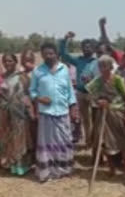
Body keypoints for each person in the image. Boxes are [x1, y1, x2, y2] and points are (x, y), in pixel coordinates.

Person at [29, 42, 77, 182]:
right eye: (45, 54)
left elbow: (69, 91)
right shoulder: (38, 71)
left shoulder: (64, 69)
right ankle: (46, 171)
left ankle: (63, 169)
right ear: (42, 55)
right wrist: (39, 99)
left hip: (62, 112)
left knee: (64, 140)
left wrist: (73, 107)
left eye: (51, 53)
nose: (48, 56)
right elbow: (31, 91)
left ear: (56, 54)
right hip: (46, 113)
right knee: (46, 143)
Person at [86, 55, 125, 176]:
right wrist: (98, 101)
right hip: (103, 114)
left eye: (104, 65)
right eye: (100, 66)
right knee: (104, 141)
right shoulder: (97, 80)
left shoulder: (117, 79)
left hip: (117, 112)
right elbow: (90, 94)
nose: (102, 68)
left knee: (122, 140)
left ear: (110, 67)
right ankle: (111, 168)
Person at [60, 32, 97, 148]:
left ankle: (94, 142)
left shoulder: (96, 61)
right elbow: (63, 54)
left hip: (93, 93)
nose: (86, 49)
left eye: (89, 47)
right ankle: (88, 142)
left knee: (94, 119)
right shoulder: (78, 60)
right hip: (81, 93)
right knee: (84, 119)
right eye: (84, 47)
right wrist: (66, 39)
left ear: (93, 48)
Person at [0, 54, 35, 175]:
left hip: (19, 113)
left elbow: (29, 93)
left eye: (10, 61)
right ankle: (8, 163)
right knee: (6, 138)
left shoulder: (22, 77)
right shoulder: (2, 77)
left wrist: (30, 110)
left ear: (15, 62)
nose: (7, 63)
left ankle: (20, 166)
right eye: (4, 61)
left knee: (20, 139)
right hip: (4, 113)